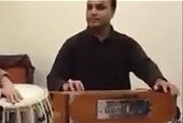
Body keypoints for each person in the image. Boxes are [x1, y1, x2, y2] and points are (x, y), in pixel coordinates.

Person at [47, 0, 179, 96]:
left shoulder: (126, 44)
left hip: (120, 117)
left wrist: (159, 80)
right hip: (83, 115)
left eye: (100, 7)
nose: (93, 12)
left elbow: (145, 66)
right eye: (89, 7)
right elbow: (53, 78)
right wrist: (64, 85)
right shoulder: (73, 45)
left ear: (112, 12)